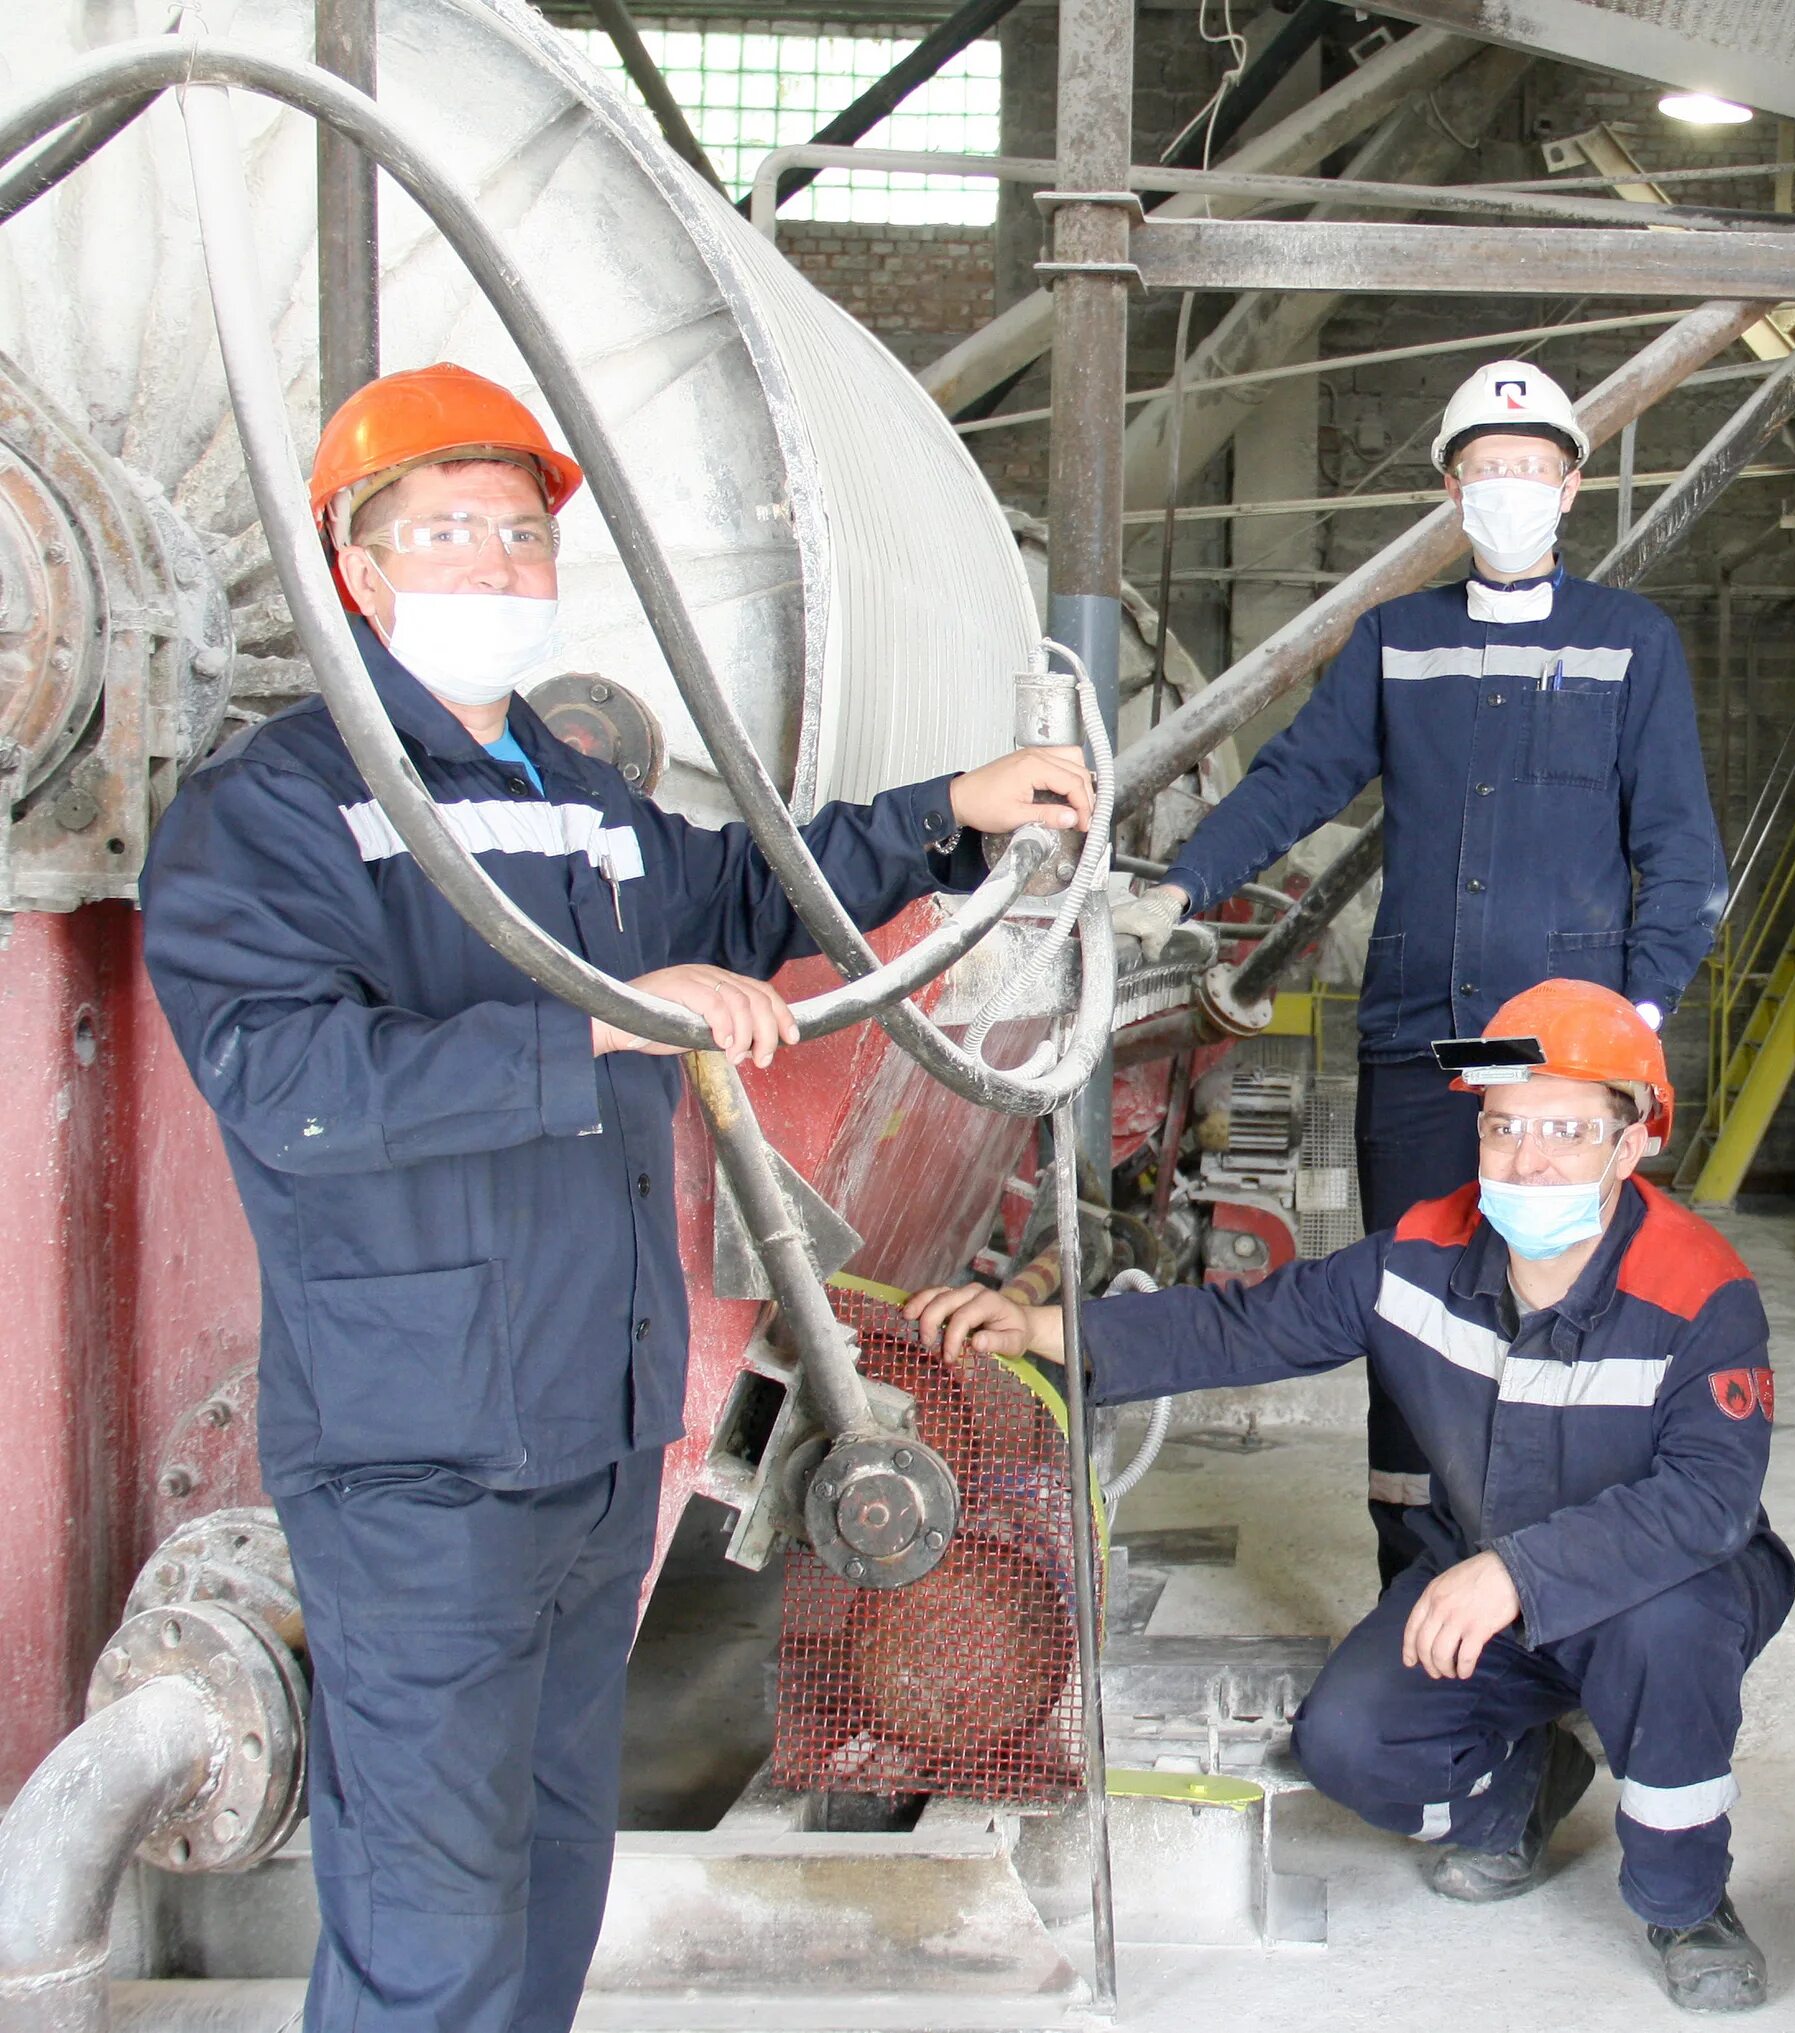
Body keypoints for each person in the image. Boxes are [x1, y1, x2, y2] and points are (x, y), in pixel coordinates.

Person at [138, 361, 1094, 2033]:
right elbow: (294, 1087)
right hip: (416, 1446)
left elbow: (732, 891)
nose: (495, 567)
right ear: (354, 568)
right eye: (445, 532)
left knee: (551, 1873)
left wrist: (945, 816)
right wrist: (588, 1018)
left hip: (594, 1425)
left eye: (519, 536)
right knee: (427, 1909)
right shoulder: (270, 812)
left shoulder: (567, 793)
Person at [903, 980, 1790, 2013]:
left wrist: (1514, 1571)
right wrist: (1048, 1330)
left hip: (1660, 1583)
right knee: (1347, 1742)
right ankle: (1520, 1786)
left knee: (1665, 1632)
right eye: (1505, 1126)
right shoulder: (1421, 1256)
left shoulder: (1700, 1289)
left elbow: (1705, 1503)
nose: (1528, 1158)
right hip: (1490, 1586)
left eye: (1565, 1128)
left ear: (1630, 1142)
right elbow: (1245, 1327)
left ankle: (1687, 1899)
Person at [1106, 359, 1727, 1584]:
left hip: (1564, 1066)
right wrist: (1183, 880)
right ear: (1453, 491)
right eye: (1490, 469)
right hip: (1422, 1050)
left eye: (1535, 468)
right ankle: (1416, 1579)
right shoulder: (1399, 641)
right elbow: (1295, 778)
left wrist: (1635, 1021)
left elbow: (1681, 853)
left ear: (1573, 485)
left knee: (1564, 1305)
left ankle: (1552, 1577)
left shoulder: (1627, 646)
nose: (1513, 489)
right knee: (1413, 1304)